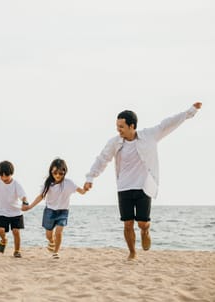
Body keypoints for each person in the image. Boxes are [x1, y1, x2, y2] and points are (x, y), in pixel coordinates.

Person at [83, 102, 203, 260]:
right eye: (117, 126)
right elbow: (102, 159)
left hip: (143, 186)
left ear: (132, 126)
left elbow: (169, 123)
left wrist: (190, 111)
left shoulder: (150, 135)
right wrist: (91, 177)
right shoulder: (115, 142)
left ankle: (145, 231)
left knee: (142, 223)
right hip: (124, 187)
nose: (118, 130)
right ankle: (132, 252)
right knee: (127, 223)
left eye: (121, 126)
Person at [22, 158, 87, 259]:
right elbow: (40, 197)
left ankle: (55, 252)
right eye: (55, 173)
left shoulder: (69, 183)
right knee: (48, 235)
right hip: (50, 211)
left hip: (63, 212)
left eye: (60, 173)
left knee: (59, 232)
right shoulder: (48, 184)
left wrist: (85, 189)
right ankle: (51, 241)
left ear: (64, 172)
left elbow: (81, 191)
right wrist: (30, 206)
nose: (57, 175)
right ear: (51, 171)